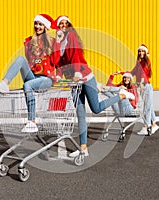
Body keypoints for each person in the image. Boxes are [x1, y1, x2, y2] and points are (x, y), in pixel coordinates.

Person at [53, 15, 131, 157]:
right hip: (73, 82)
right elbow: (57, 61)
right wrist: (58, 74)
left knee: (96, 108)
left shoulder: (71, 37)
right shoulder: (58, 42)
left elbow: (76, 55)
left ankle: (121, 95)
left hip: (84, 76)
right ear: (57, 27)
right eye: (60, 24)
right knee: (80, 114)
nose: (63, 26)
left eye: (66, 23)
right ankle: (83, 148)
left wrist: (77, 72)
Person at [0, 14, 59, 133]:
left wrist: (60, 75)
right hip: (33, 76)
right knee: (21, 59)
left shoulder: (53, 43)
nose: (37, 26)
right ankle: (4, 84)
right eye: (36, 24)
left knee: (27, 86)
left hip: (47, 79)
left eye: (40, 24)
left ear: (45, 27)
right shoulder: (28, 42)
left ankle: (31, 122)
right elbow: (29, 61)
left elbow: (59, 62)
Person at [131, 44, 159, 135]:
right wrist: (123, 74)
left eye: (143, 51)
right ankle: (154, 123)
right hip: (143, 87)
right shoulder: (139, 63)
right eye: (139, 51)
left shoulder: (146, 62)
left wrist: (141, 84)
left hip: (146, 87)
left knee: (146, 108)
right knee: (149, 106)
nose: (141, 53)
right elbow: (133, 72)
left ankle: (147, 126)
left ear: (146, 52)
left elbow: (143, 74)